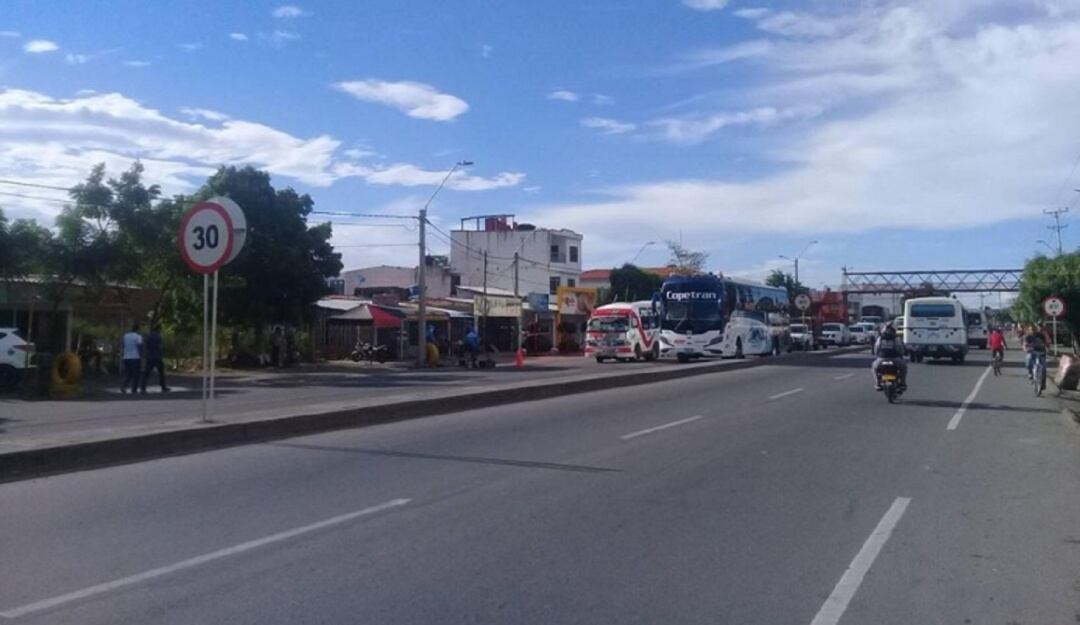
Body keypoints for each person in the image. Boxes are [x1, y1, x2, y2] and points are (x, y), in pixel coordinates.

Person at [871, 322, 907, 390]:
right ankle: (903, 383)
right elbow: (900, 349)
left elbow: (876, 348)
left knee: (874, 368)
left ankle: (878, 384)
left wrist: (877, 356)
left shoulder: (880, 339)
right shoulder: (896, 339)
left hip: (881, 359)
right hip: (895, 359)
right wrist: (901, 355)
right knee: (904, 367)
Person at [140, 324, 169, 394]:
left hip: (150, 357)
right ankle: (163, 387)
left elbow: (145, 346)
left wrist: (145, 354)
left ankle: (143, 388)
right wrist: (162, 354)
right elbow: (160, 347)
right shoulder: (158, 336)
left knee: (146, 373)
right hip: (157, 357)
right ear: (159, 329)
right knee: (161, 373)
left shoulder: (148, 336)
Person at [120, 322, 143, 395]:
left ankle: (124, 385)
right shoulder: (138, 336)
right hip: (135, 357)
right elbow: (139, 346)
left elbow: (123, 345)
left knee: (129, 373)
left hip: (126, 357)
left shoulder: (125, 336)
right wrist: (141, 355)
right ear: (138, 329)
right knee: (136, 374)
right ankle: (134, 389)